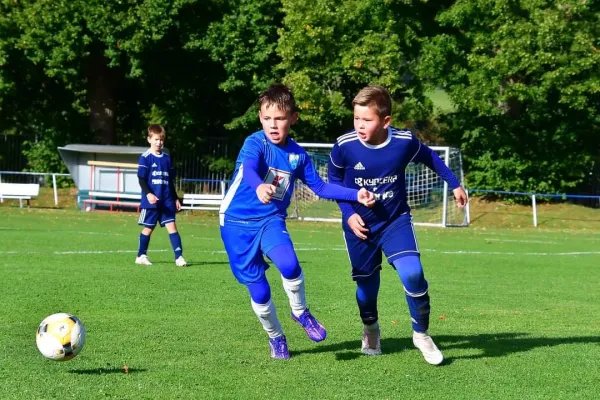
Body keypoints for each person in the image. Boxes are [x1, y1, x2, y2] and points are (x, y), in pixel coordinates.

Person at [219, 83, 375, 360]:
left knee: (289, 264)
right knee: (261, 292)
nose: (273, 125)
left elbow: (322, 188)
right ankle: (276, 337)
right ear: (260, 118)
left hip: (270, 219)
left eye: (279, 118)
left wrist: (356, 194)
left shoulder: (298, 156)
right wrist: (258, 187)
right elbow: (249, 169)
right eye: (267, 118)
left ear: (293, 118)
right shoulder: (254, 143)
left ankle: (300, 311)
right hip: (235, 223)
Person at [327, 85, 468, 365]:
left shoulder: (403, 141)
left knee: (413, 274)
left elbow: (430, 157)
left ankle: (422, 334)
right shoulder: (344, 145)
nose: (359, 125)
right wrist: (348, 214)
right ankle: (371, 329)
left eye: (367, 120)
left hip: (395, 221)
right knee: (367, 289)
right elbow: (333, 181)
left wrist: (454, 184)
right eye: (356, 118)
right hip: (359, 227)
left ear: (386, 121)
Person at [135, 124, 187, 267]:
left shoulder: (167, 158)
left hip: (167, 200)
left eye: (161, 140)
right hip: (151, 201)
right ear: (149, 139)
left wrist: (176, 197)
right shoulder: (145, 158)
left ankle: (179, 257)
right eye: (156, 139)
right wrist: (149, 194)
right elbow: (141, 179)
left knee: (173, 227)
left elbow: (169, 181)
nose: (159, 143)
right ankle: (141, 255)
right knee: (148, 228)